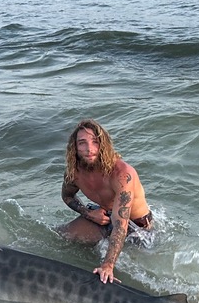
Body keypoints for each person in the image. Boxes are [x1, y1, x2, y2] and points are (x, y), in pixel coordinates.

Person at [57, 118, 153, 285]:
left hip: (136, 228)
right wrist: (88, 213)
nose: (89, 149)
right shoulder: (74, 173)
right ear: (75, 148)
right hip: (105, 216)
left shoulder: (122, 174)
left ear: (104, 144)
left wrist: (108, 265)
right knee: (61, 236)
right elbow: (67, 196)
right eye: (82, 143)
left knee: (129, 271)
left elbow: (120, 224)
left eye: (95, 142)